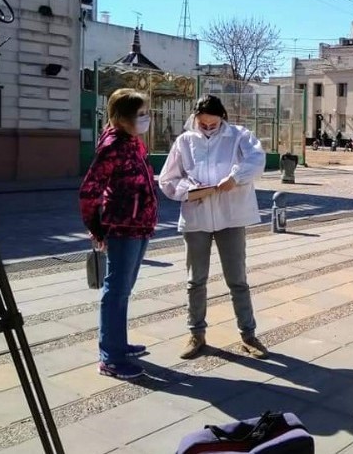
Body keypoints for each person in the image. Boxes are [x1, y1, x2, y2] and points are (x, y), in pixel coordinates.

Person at [159, 95, 268, 360]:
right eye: (203, 124)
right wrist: (189, 191)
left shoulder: (239, 136)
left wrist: (236, 178)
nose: (208, 129)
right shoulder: (184, 141)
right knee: (196, 280)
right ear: (195, 119)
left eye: (213, 124)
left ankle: (248, 334)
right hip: (197, 219)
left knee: (237, 279)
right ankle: (196, 333)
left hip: (230, 217)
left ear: (222, 118)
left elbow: (256, 160)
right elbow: (168, 179)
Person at [79, 88, 158, 380]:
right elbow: (89, 190)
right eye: (140, 114)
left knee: (124, 289)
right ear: (122, 117)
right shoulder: (112, 146)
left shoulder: (133, 143)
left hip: (140, 226)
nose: (146, 118)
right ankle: (110, 357)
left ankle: (118, 344)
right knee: (116, 291)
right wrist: (96, 226)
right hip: (123, 228)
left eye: (146, 113)